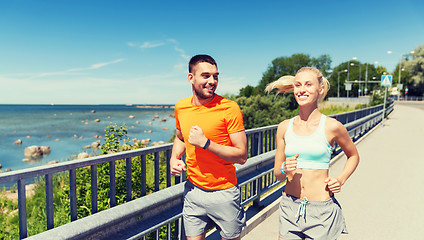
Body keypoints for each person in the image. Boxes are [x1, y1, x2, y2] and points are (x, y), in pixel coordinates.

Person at [265, 67, 360, 240]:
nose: (302, 90)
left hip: (321, 212)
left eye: (309, 84)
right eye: (298, 85)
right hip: (290, 207)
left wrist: (340, 179)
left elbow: (353, 156)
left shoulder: (332, 126)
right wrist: (285, 167)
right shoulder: (284, 127)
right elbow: (278, 174)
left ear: (320, 89)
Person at [170, 54, 248, 240]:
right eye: (206, 76)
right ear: (191, 78)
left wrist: (206, 144)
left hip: (224, 193)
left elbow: (241, 155)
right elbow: (181, 137)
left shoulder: (229, 108)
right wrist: (174, 157)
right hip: (193, 191)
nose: (212, 81)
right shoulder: (181, 107)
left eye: (215, 76)